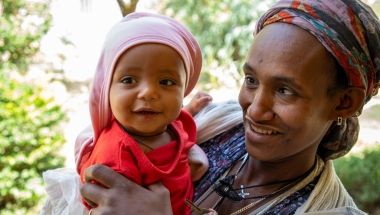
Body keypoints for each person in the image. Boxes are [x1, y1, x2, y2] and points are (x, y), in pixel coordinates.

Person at [78, 0, 380, 214]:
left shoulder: (326, 210)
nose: (255, 110)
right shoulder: (212, 124)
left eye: (285, 90)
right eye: (251, 80)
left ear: (344, 102)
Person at [74, 12, 215, 215]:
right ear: (106, 89)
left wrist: (191, 109)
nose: (149, 92)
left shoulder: (171, 122)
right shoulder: (116, 160)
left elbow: (180, 120)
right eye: (129, 80)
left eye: (166, 82)